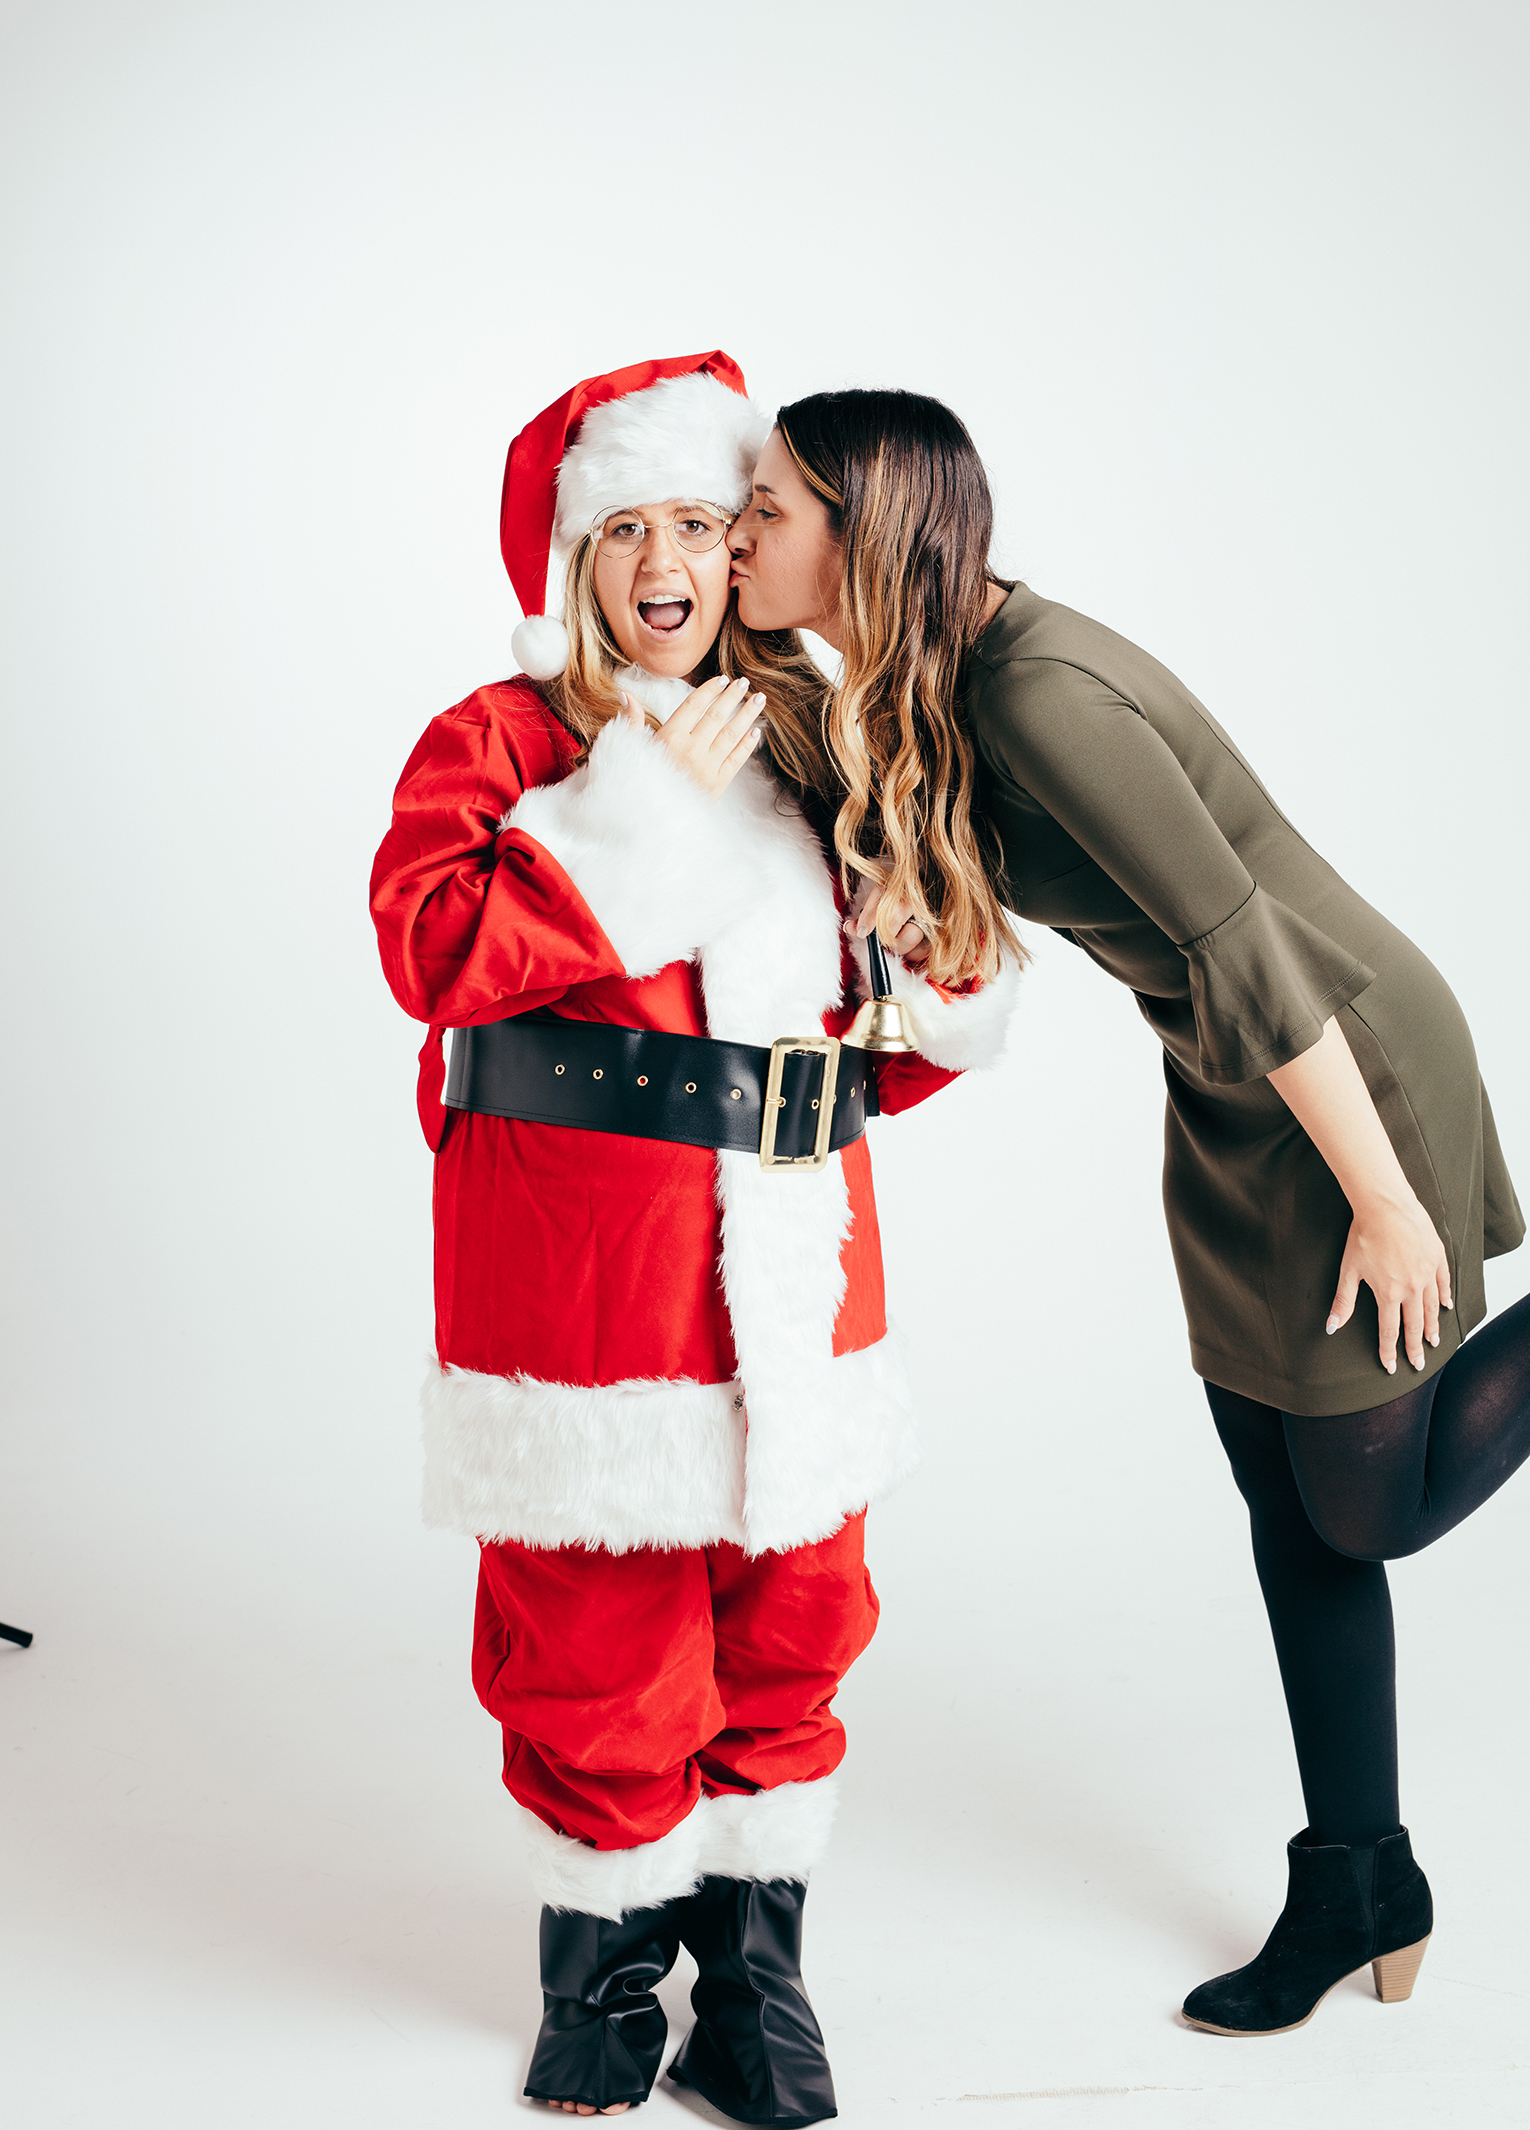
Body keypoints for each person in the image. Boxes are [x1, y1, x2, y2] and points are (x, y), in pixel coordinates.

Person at [725, 386, 1528, 2038]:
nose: (738, 537)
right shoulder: (933, 679)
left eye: (768, 510)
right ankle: (1356, 1879)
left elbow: (1247, 950)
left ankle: (1360, 1875)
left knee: (1362, 1507)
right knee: (1283, 1501)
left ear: (864, 534)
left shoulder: (1038, 692)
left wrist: (1381, 1196)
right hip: (1231, 1088)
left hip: (1335, 1068)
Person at [369, 352, 1016, 2121]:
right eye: (623, 528)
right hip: (587, 1287)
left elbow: (900, 1026)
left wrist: (921, 963)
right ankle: (601, 1979)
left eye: (697, 522)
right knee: (600, 1628)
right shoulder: (504, 740)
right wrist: (631, 816)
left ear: (744, 546)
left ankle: (751, 1979)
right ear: (575, 557)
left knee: (796, 1614)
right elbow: (431, 952)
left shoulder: (812, 738)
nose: (662, 560)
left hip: (799, 1271)